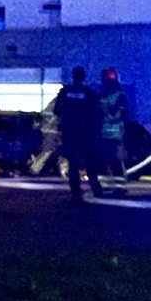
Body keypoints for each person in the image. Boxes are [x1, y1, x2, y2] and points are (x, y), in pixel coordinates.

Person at [51, 66, 105, 201]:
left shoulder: (65, 92)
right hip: (87, 134)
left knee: (73, 163)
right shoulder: (90, 94)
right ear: (83, 77)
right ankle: (96, 189)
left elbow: (56, 110)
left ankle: (76, 191)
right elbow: (98, 113)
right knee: (90, 162)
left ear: (73, 76)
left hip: (69, 133)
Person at [96, 68, 130, 176]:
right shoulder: (120, 96)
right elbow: (125, 114)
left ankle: (110, 187)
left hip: (107, 136)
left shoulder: (100, 96)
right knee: (113, 163)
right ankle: (114, 187)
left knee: (108, 162)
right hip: (112, 135)